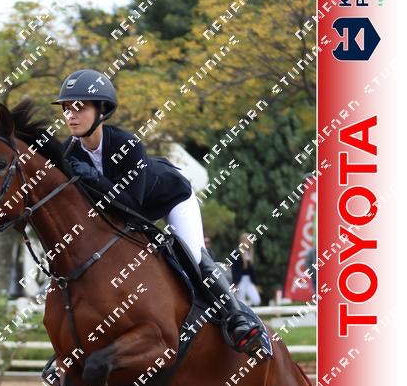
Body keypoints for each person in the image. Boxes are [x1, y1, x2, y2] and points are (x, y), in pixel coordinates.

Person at [50, 69, 265, 355]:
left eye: (79, 108)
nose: (71, 116)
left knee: (193, 255)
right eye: (66, 109)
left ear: (102, 110)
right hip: (128, 213)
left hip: (171, 199)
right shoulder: (68, 153)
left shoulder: (127, 145)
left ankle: (238, 319)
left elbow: (131, 207)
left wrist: (93, 177)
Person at [231, 233, 261, 306]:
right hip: (239, 280)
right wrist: (234, 283)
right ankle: (244, 310)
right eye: (247, 240)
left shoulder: (249, 253)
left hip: (248, 280)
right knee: (241, 300)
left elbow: (251, 271)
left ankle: (248, 308)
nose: (249, 242)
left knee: (256, 300)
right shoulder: (237, 252)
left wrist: (256, 283)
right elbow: (233, 269)